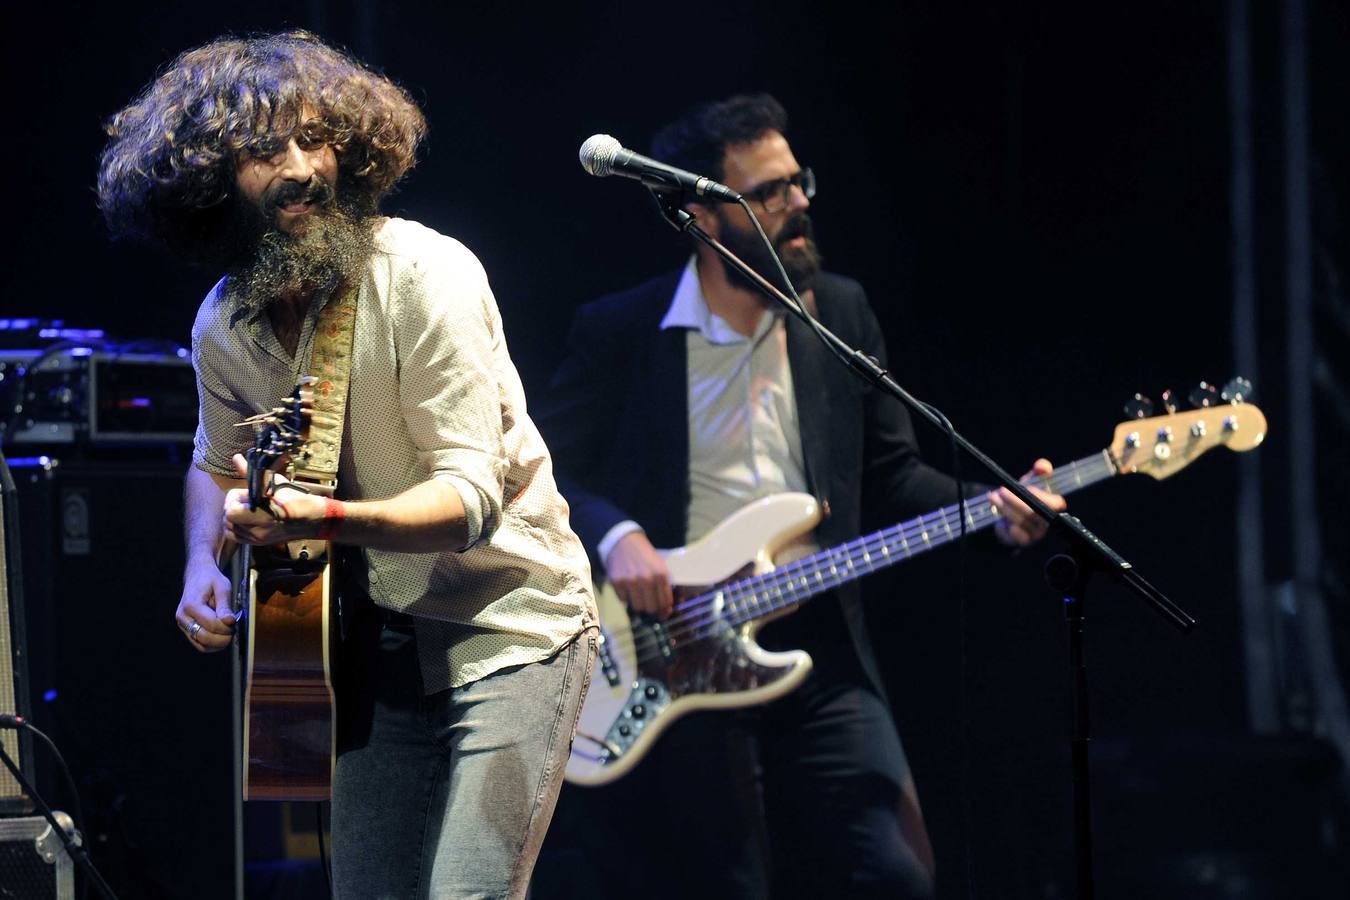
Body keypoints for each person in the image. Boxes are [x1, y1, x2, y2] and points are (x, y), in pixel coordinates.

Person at [96, 31, 597, 899]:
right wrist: (197, 562)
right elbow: (214, 464)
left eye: (315, 139)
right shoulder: (224, 323)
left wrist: (320, 520)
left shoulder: (425, 276)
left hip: (512, 628)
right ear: (210, 182)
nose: (300, 168)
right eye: (263, 151)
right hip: (369, 651)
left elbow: (470, 498)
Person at [534, 93, 1066, 898]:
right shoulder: (624, 331)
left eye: (797, 181)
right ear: (705, 218)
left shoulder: (839, 313)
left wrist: (995, 508)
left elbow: (894, 474)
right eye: (771, 191)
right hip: (672, 649)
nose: (800, 202)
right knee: (729, 883)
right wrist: (618, 538)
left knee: (896, 873)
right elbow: (541, 472)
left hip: (815, 638)